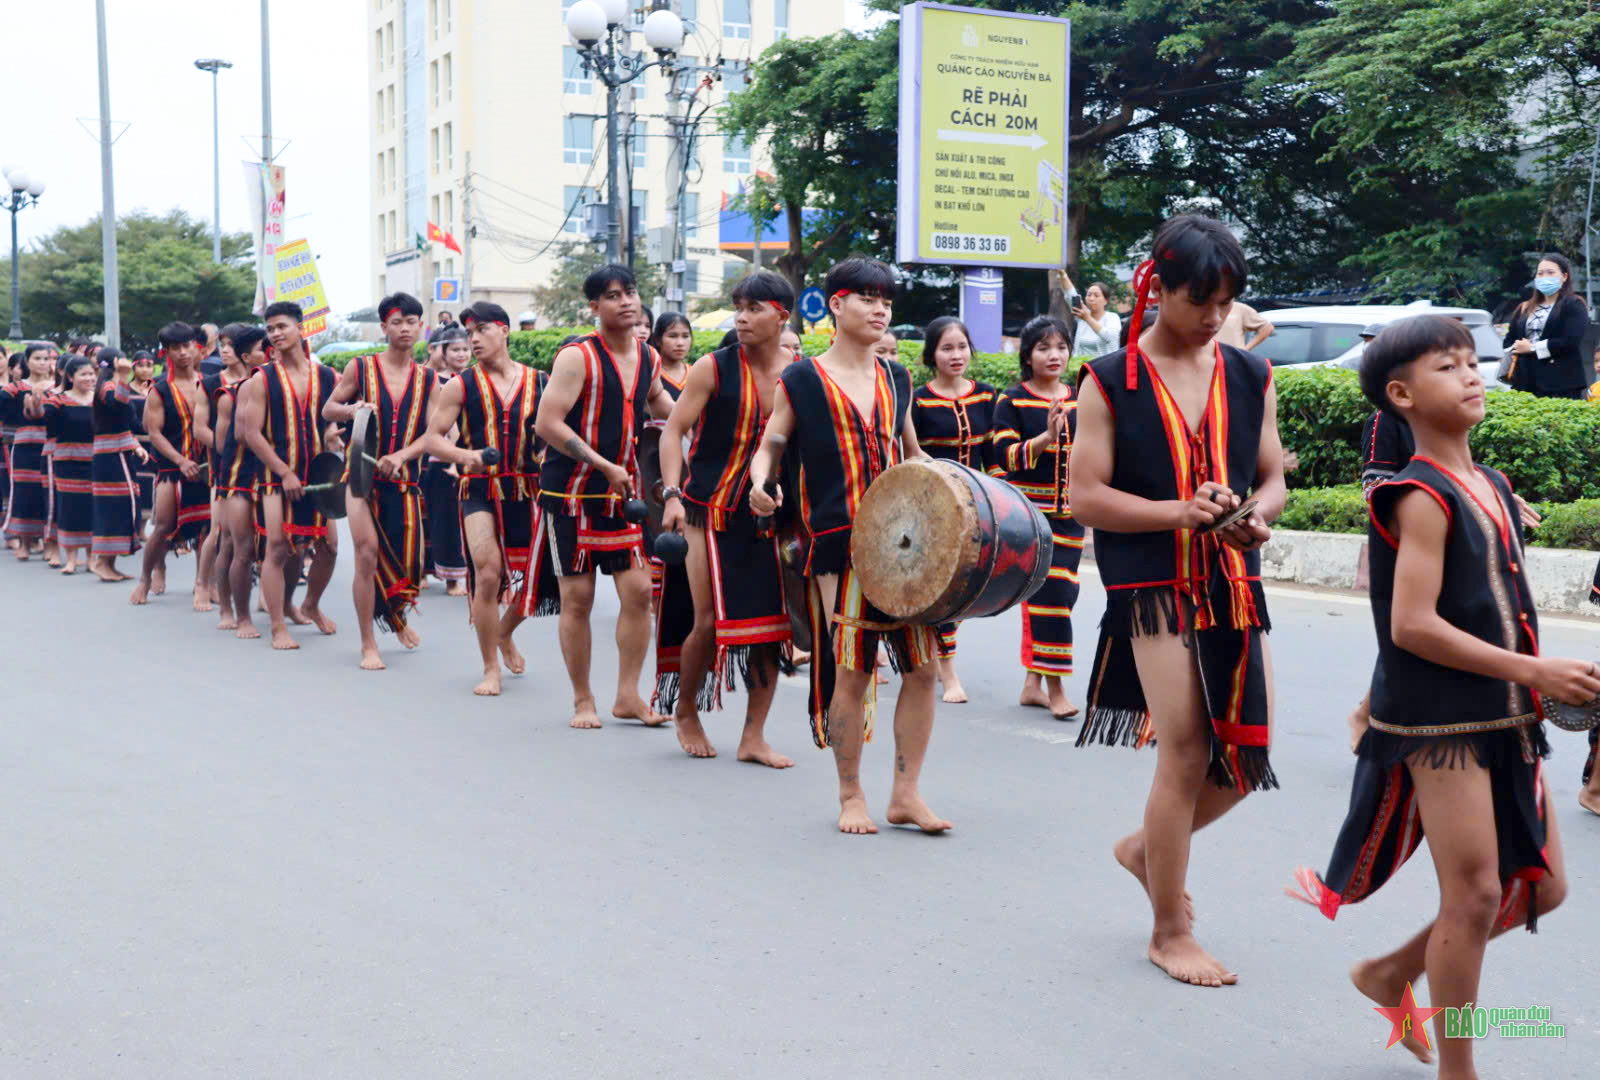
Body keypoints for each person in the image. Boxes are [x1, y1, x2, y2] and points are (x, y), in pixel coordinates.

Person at [1288, 316, 1584, 1075]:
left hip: (1506, 714)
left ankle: (1391, 972)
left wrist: (1539, 679)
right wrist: (1536, 673)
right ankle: (1460, 1069)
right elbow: (1412, 626)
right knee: (1476, 893)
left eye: (1470, 361)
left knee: (1543, 889)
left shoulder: (1494, 486)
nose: (1471, 374)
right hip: (1440, 722)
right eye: (1447, 367)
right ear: (1402, 395)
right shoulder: (1418, 494)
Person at [1070, 214, 1286, 987]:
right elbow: (1086, 498)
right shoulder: (1110, 379)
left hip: (1233, 580)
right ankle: (1168, 931)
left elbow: (1273, 476)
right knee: (1187, 751)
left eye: (1226, 302)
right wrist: (1178, 513)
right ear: (1157, 288)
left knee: (1245, 755)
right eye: (1201, 301)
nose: (1215, 317)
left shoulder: (1251, 375)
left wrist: (1257, 515)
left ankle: (1145, 850)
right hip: (1152, 584)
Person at [747, 256, 949, 836]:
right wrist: (761, 482)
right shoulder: (802, 379)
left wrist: (957, 494)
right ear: (836, 305)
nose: (880, 309)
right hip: (842, 545)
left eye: (885, 299)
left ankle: (905, 795)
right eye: (866, 297)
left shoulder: (897, 377)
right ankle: (850, 794)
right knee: (853, 670)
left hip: (906, 545)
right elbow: (771, 443)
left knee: (923, 671)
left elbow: (913, 453)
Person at [655, 270, 798, 766]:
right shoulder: (712, 367)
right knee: (708, 620)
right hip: (708, 509)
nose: (741, 317)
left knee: (773, 628)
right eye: (738, 307)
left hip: (771, 514)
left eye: (754, 308)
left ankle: (753, 737)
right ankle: (686, 710)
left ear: (781, 316)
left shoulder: (800, 373)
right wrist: (671, 496)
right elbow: (672, 431)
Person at [533, 265, 675, 727]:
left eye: (630, 292)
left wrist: (697, 424)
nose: (626, 301)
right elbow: (547, 423)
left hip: (621, 494)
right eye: (613, 296)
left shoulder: (648, 356)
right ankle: (583, 700)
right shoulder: (577, 356)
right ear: (595, 306)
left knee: (639, 592)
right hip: (570, 494)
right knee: (578, 599)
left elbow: (661, 404)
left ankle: (628, 696)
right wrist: (603, 465)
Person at [421, 300, 551, 696]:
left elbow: (555, 432)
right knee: (488, 571)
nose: (474, 339)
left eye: (482, 330)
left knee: (539, 579)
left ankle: (504, 632)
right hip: (478, 489)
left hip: (528, 490)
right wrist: (467, 457)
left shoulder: (540, 381)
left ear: (505, 331)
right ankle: (490, 668)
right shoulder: (460, 385)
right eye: (470, 333)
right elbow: (432, 439)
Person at [324, 292, 439, 670]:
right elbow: (328, 408)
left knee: (408, 565)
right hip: (360, 477)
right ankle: (368, 643)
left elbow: (435, 432)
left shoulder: (429, 378)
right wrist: (352, 409)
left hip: (404, 481)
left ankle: (395, 617)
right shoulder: (360, 367)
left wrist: (402, 456)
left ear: (421, 327)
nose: (404, 329)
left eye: (411, 322)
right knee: (366, 552)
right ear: (384, 327)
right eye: (396, 322)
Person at [235, 300, 341, 648]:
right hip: (274, 476)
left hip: (318, 475)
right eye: (270, 329)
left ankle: (310, 604)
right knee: (278, 548)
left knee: (329, 547)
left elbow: (330, 421)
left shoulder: (327, 376)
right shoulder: (261, 379)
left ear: (301, 328)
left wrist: (333, 436)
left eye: (282, 326)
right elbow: (251, 434)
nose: (276, 334)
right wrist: (284, 472)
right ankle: (278, 626)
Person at [993, 315, 1083, 719]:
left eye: (1061, 347)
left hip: (1072, 517)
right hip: (1029, 520)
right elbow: (1004, 456)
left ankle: (1032, 684)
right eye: (1044, 348)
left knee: (1061, 598)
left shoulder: (1082, 400)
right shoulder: (1011, 401)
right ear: (1028, 356)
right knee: (1053, 597)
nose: (1054, 355)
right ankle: (1057, 689)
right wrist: (1046, 438)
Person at [910, 315, 996, 703]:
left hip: (975, 509)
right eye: (947, 348)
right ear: (932, 355)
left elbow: (993, 458)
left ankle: (932, 658)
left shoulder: (987, 396)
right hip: (932, 508)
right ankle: (947, 673)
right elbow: (909, 454)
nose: (956, 355)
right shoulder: (918, 400)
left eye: (962, 347)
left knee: (962, 588)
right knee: (942, 587)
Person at [131, 323, 213, 606]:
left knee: (208, 527)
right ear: (166, 352)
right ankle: (145, 578)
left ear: (196, 347)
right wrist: (180, 460)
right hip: (171, 467)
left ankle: (203, 583)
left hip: (206, 465)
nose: (183, 353)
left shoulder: (210, 382)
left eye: (187, 346)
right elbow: (154, 433)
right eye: (175, 348)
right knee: (164, 525)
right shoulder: (160, 389)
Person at [213, 325, 269, 638]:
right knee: (234, 544)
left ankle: (283, 604)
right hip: (237, 476)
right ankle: (232, 611)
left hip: (270, 473)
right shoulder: (230, 395)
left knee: (277, 545)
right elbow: (224, 443)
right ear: (247, 356)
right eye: (264, 349)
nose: (270, 353)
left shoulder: (280, 388)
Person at [195, 324, 252, 613]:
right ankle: (202, 584)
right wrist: (228, 448)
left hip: (258, 465)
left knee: (257, 535)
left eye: (231, 345)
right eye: (222, 345)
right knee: (218, 531)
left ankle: (265, 596)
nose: (225, 351)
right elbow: (200, 429)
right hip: (224, 467)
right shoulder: (209, 384)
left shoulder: (259, 379)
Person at [421, 325, 471, 595]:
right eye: (455, 349)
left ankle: (456, 576)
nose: (461, 354)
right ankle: (426, 572)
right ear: (442, 352)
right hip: (437, 458)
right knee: (434, 519)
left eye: (465, 349)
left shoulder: (474, 379)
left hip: (468, 458)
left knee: (457, 521)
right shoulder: (432, 382)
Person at [88, 348, 146, 582]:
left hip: (118, 451)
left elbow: (125, 422)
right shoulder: (108, 386)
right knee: (115, 505)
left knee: (123, 504)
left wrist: (135, 444)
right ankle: (102, 561)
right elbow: (118, 406)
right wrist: (123, 377)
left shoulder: (111, 385)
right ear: (115, 362)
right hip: (110, 455)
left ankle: (109, 564)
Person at [1504, 253, 1592, 399]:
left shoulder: (1574, 304)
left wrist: (1532, 348)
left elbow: (1570, 341)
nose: (1545, 277)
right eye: (1540, 273)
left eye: (1550, 272)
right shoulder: (1524, 307)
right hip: (1525, 383)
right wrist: (1516, 347)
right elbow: (1509, 340)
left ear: (1564, 276)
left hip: (1561, 384)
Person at [40, 356, 97, 574]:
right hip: (67, 461)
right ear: (71, 377)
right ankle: (71, 559)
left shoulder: (99, 401)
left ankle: (91, 558)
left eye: (91, 374)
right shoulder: (58, 401)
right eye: (84, 374)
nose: (89, 378)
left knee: (92, 509)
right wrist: (38, 405)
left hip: (94, 461)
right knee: (69, 509)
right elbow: (49, 428)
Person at [2, 343, 60, 558]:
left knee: (49, 493)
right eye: (37, 358)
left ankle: (48, 543)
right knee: (25, 493)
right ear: (27, 361)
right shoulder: (15, 389)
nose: (43, 363)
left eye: (46, 359)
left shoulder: (57, 389)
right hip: (24, 446)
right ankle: (24, 543)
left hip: (50, 446)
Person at [127, 350, 158, 530]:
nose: (145, 370)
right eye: (140, 365)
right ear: (133, 367)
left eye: (149, 366)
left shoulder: (157, 389)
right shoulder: (126, 390)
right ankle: (132, 527)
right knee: (134, 483)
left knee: (148, 485)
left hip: (153, 443)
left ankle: (142, 527)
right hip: (132, 444)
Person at [1070, 280, 1122, 357]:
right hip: (1081, 364)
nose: (1091, 299)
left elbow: (1110, 337)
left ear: (1106, 301)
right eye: (1089, 295)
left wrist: (1087, 318)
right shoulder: (1082, 315)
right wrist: (1063, 275)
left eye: (1096, 295)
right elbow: (1070, 294)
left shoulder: (1112, 317)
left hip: (1103, 363)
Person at [649, 311, 693, 396]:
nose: (680, 343)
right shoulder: (649, 373)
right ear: (658, 339)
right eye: (673, 336)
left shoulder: (697, 373)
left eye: (685, 336)